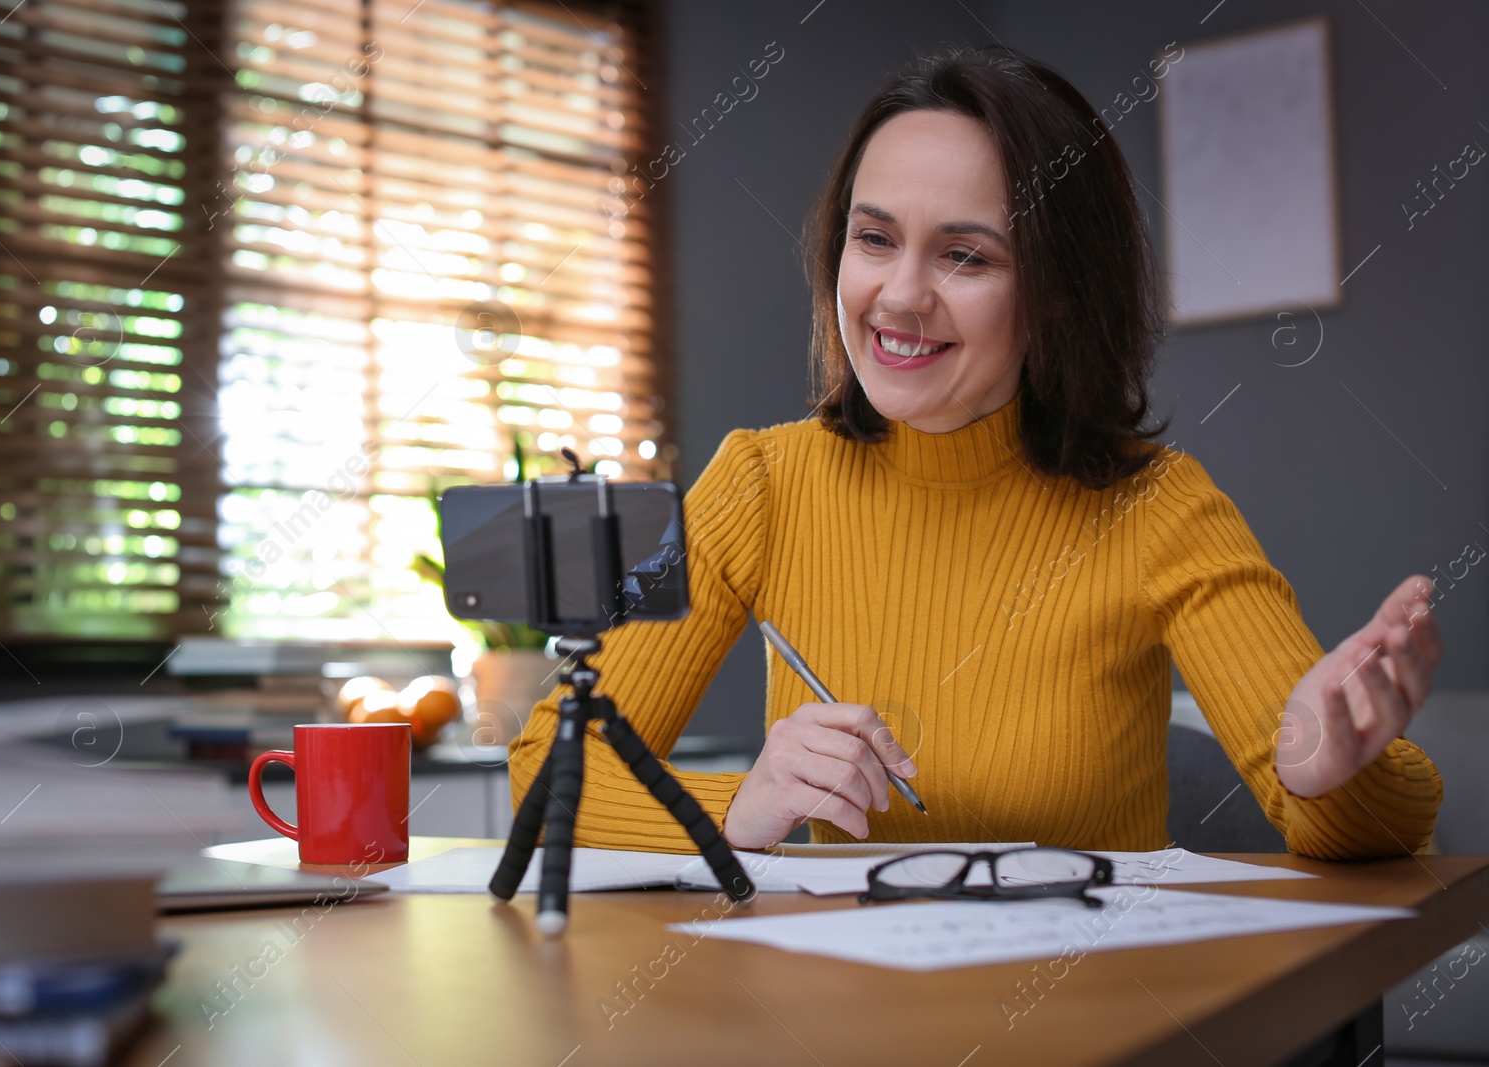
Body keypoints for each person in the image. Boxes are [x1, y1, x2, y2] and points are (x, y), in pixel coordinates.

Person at [507, 45, 1442, 859]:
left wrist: (1329, 769)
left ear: (1060, 293)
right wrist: (735, 808)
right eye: (874, 239)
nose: (900, 295)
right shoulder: (761, 484)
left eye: (966, 257)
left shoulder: (1160, 507)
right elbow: (545, 771)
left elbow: (1356, 823)